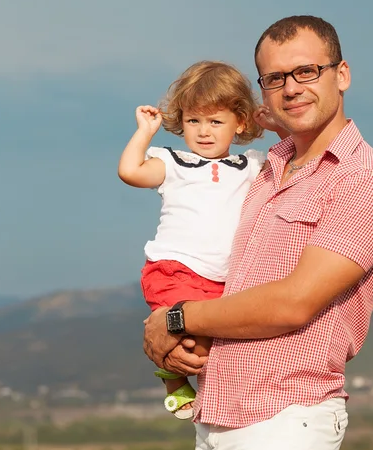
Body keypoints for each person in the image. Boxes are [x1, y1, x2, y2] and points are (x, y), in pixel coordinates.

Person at [143, 16, 373, 450]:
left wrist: (174, 320)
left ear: (343, 74)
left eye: (307, 71)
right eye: (275, 78)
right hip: (217, 412)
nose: (291, 88)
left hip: (286, 414)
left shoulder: (366, 183)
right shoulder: (263, 167)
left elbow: (294, 302)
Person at [119, 61, 284, 418]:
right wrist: (145, 132)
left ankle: (220, 397)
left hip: (225, 278)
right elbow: (130, 171)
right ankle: (173, 382)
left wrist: (271, 122)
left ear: (240, 122)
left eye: (216, 121)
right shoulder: (173, 162)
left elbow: (296, 159)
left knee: (211, 345)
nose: (204, 131)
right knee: (184, 338)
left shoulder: (252, 165)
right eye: (194, 121)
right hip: (174, 267)